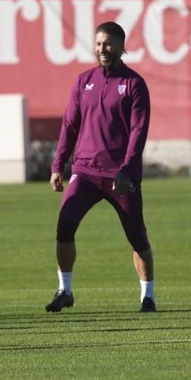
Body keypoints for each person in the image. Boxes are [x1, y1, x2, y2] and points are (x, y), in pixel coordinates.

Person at [46, 21, 155, 314]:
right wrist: (59, 165)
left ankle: (148, 296)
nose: (102, 49)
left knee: (136, 235)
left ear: (121, 47)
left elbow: (138, 130)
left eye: (107, 44)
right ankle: (64, 290)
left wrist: (128, 169)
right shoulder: (83, 81)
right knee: (64, 225)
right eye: (98, 44)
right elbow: (69, 125)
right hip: (85, 171)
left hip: (120, 175)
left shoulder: (134, 84)